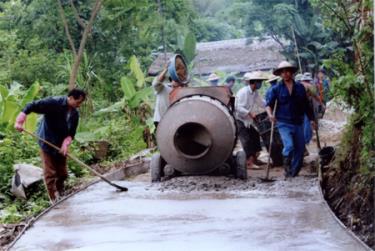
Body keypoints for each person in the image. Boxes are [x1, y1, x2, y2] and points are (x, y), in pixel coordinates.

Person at [14, 88, 86, 203]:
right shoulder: (53, 103)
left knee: (63, 173)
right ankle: (53, 199)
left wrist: (66, 142)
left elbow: (71, 133)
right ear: (71, 98)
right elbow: (31, 105)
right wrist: (20, 120)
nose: (79, 105)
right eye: (78, 102)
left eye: (80, 103)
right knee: (50, 172)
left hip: (60, 144)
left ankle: (60, 192)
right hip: (46, 141)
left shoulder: (74, 114)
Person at [266, 61, 316, 178]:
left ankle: (293, 173)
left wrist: (312, 120)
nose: (285, 74)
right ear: (280, 74)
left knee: (300, 149)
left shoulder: (300, 88)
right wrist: (270, 114)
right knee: (289, 145)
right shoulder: (276, 89)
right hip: (283, 123)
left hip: (298, 123)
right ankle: (287, 167)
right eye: (282, 72)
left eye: (287, 71)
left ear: (292, 73)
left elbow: (306, 105)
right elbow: (269, 105)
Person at [235, 71, 267, 169]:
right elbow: (237, 107)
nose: (260, 84)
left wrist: (270, 104)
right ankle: (249, 162)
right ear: (253, 82)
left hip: (247, 120)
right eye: (259, 82)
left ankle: (255, 158)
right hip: (239, 119)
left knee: (255, 136)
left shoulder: (255, 93)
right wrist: (249, 113)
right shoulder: (243, 92)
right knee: (247, 140)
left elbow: (261, 103)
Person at [153, 64, 188, 129]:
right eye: (177, 79)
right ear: (172, 79)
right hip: (160, 120)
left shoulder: (181, 90)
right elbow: (156, 83)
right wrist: (166, 69)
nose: (179, 80)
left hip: (172, 121)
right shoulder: (163, 88)